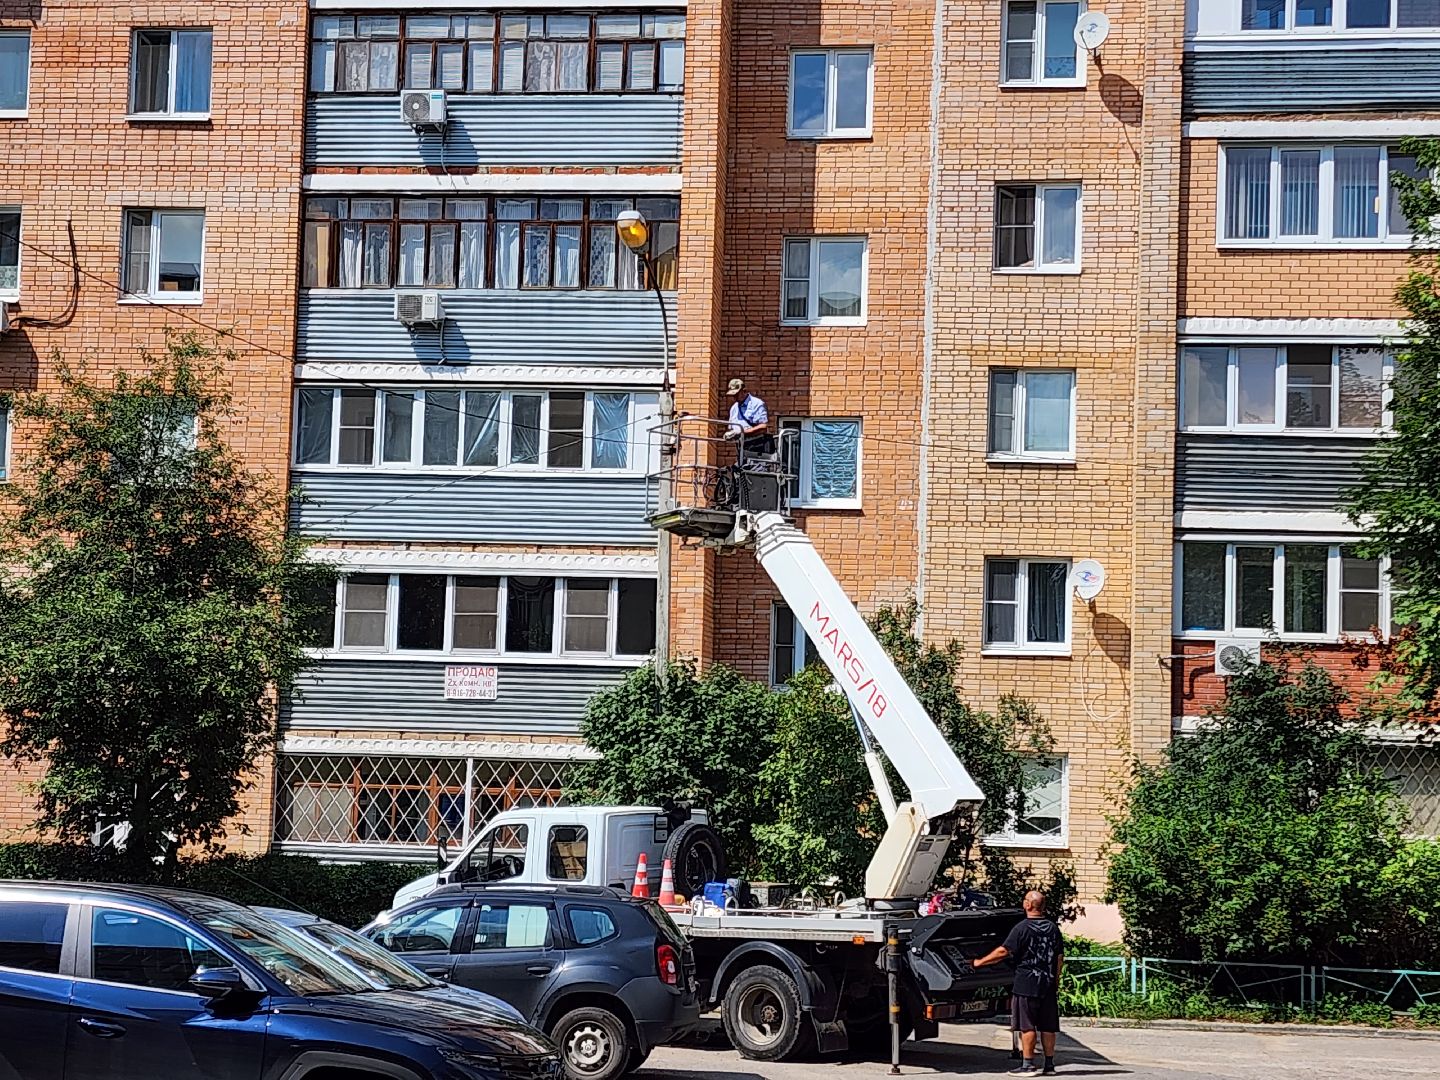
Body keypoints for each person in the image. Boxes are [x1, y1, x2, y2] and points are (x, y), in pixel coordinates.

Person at [972, 890, 1064, 1076]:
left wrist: (979, 962)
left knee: (1027, 1025)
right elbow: (1060, 957)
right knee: (1048, 1025)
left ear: (1029, 905)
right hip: (1047, 982)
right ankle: (1049, 1065)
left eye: (1025, 900)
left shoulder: (1022, 928)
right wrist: (1056, 979)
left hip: (1027, 983)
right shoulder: (1053, 928)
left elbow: (1003, 952)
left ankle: (1028, 1065)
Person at [723, 378, 773, 460]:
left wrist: (741, 433)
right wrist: (730, 435)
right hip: (741, 448)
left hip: (757, 447)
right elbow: (732, 429)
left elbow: (763, 427)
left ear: (744, 391)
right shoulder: (734, 408)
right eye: (733, 395)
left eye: (736, 394)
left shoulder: (757, 404)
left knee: (756, 471)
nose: (734, 397)